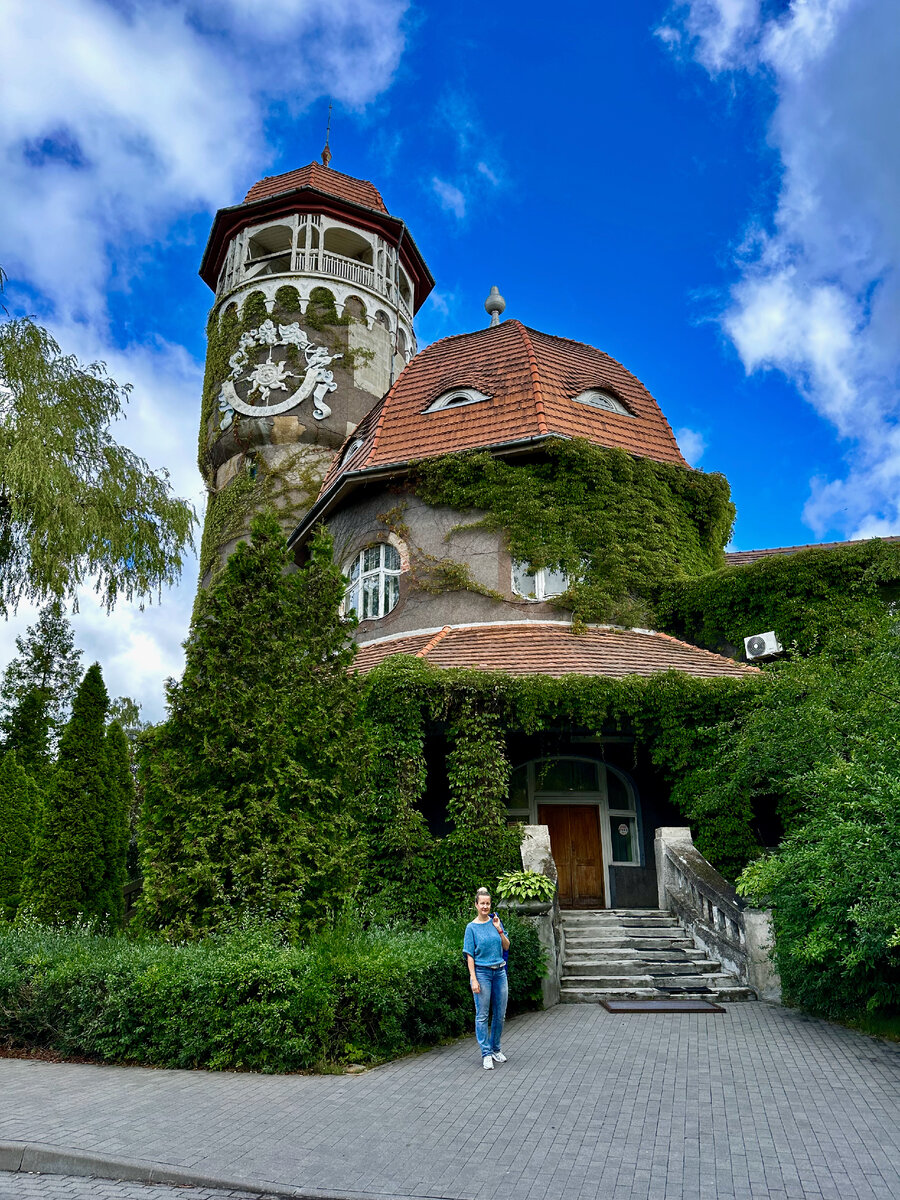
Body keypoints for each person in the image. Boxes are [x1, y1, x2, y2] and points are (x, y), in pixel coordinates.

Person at [463, 887, 510, 1069]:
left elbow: (506, 946)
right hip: (482, 973)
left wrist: (499, 929)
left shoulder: (496, 922)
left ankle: (496, 1049)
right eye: (482, 903)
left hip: (499, 972)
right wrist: (473, 978)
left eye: (488, 903)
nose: (485, 906)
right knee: (482, 1015)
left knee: (500, 1014)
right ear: (476, 905)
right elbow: (470, 956)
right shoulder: (471, 928)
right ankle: (486, 1053)